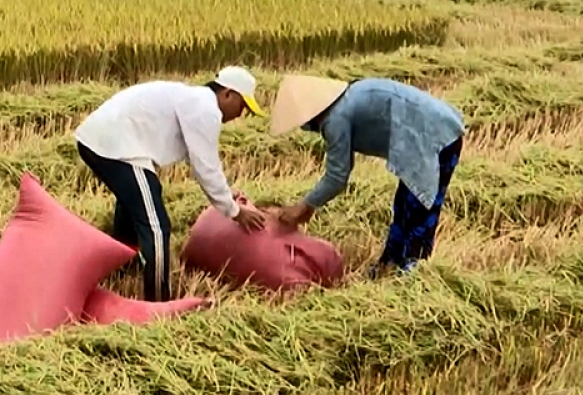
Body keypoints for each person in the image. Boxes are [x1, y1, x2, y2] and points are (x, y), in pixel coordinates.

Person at [74, 66, 270, 302]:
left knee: (139, 200)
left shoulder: (192, 100)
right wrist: (234, 211)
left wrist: (227, 196)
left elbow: (197, 159)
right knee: (156, 226)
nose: (241, 114)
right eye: (243, 105)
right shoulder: (205, 109)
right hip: (115, 146)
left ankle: (124, 266)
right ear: (228, 94)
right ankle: (157, 303)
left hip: (104, 141)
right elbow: (205, 167)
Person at [270, 75, 465, 278]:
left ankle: (414, 274)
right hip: (425, 133)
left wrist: (305, 205)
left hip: (436, 138)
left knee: (420, 209)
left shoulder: (336, 118)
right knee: (403, 205)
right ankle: (389, 264)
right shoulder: (347, 98)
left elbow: (337, 176)